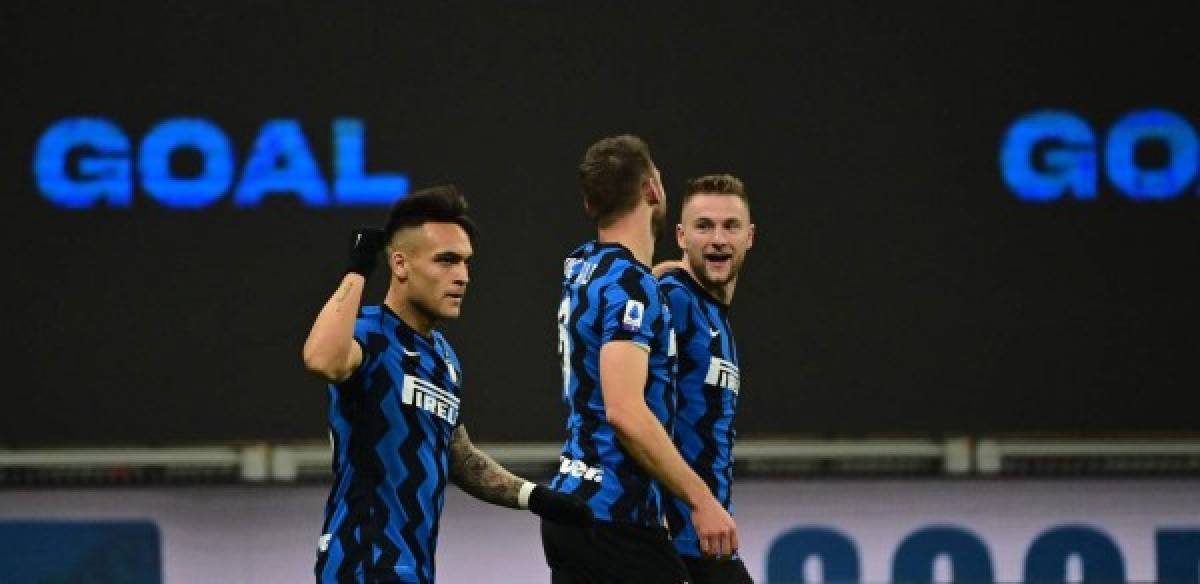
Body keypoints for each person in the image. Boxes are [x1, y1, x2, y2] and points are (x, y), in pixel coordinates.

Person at [302, 185, 591, 583]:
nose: (463, 277)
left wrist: (535, 497)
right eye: (446, 261)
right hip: (362, 562)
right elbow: (322, 359)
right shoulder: (367, 333)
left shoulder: (444, 358)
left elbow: (460, 457)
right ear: (400, 265)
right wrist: (358, 268)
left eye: (466, 263)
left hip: (415, 567)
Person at [542, 136, 738, 584]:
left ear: (591, 204)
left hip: (570, 504)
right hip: (614, 517)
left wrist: (661, 272)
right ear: (652, 189)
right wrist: (701, 500)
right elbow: (625, 411)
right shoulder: (633, 287)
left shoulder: (581, 266)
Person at [655, 174, 755, 584]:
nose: (718, 239)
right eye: (703, 226)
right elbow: (633, 408)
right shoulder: (671, 299)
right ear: (681, 236)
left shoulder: (713, 315)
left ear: (750, 236)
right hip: (671, 541)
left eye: (730, 226)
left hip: (704, 541)